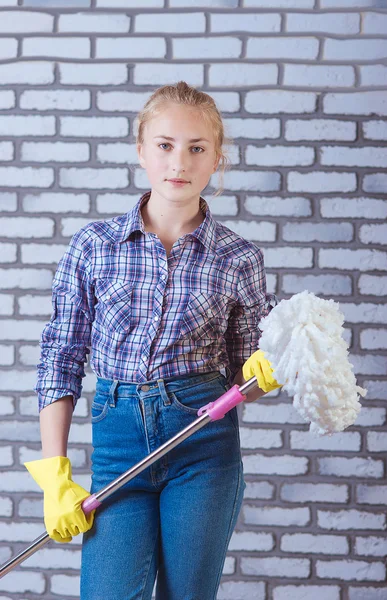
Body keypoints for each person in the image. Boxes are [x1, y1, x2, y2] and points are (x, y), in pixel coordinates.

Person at [24, 81, 280, 600]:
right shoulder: (94, 247)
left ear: (217, 162)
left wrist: (263, 375)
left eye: (196, 148)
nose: (178, 162)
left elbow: (244, 376)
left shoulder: (239, 259)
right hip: (118, 446)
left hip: (202, 448)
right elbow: (61, 357)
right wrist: (55, 475)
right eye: (164, 145)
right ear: (141, 151)